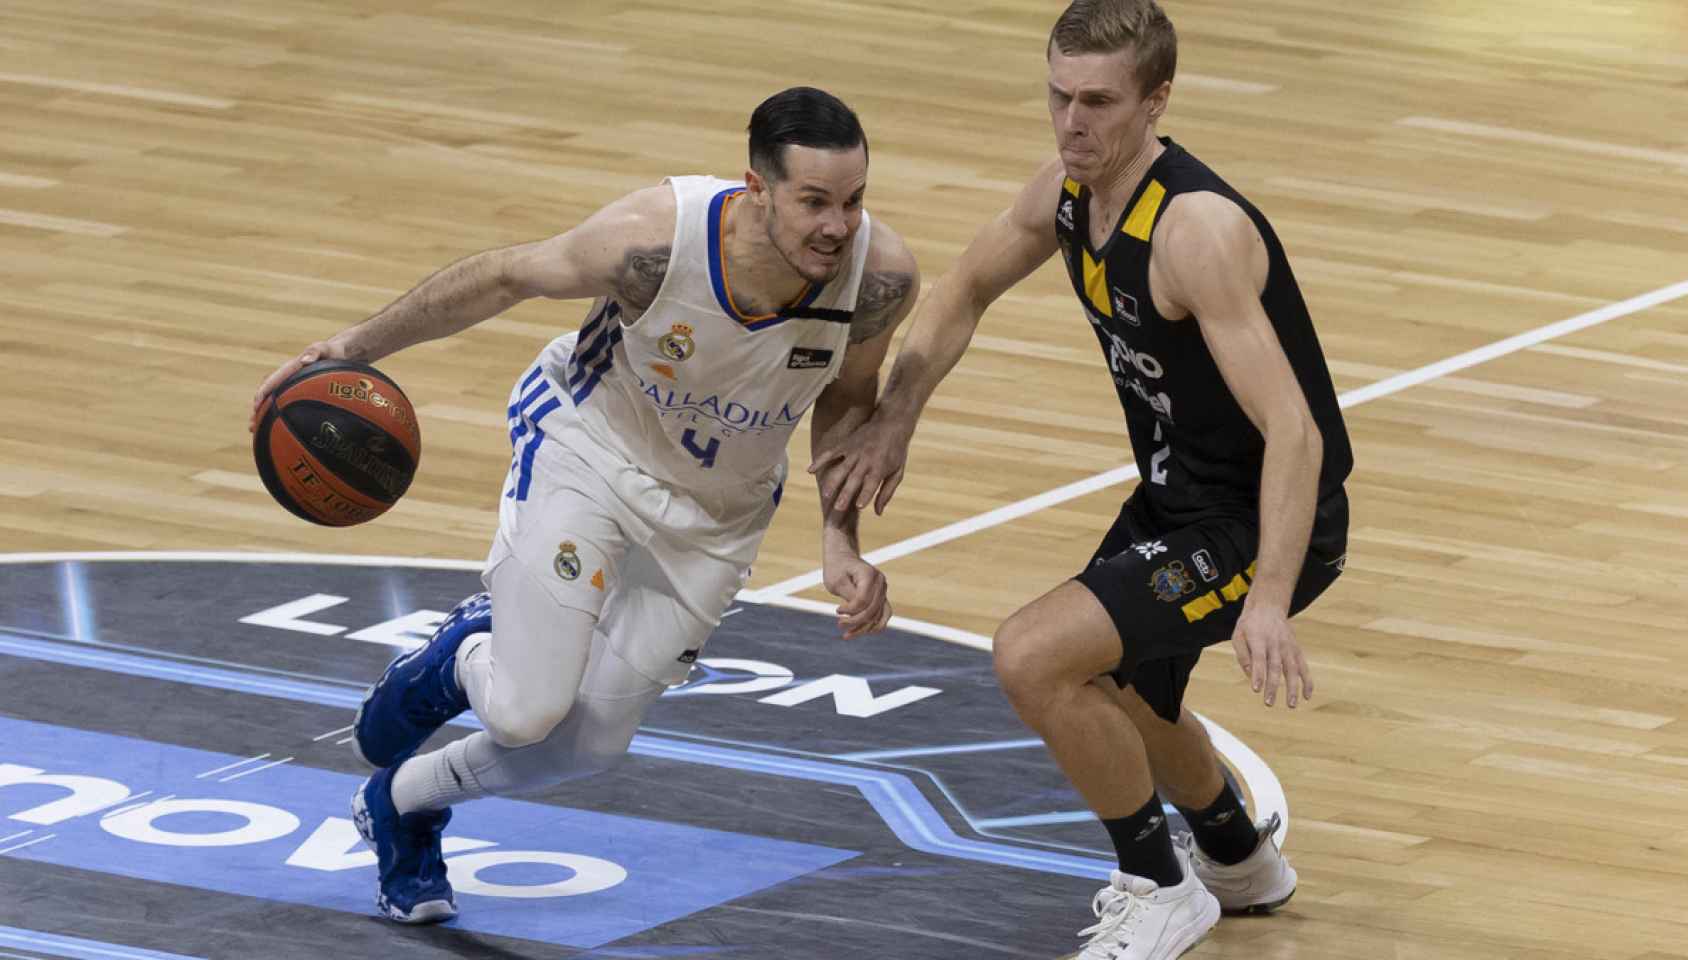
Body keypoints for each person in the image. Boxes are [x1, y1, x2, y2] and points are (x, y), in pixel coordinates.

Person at [250, 86, 918, 924]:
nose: (836, 225)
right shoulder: (653, 241)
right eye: (814, 201)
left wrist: (838, 540)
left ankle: (402, 804)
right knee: (527, 710)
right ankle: (461, 658)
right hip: (591, 454)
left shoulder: (880, 279)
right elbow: (502, 277)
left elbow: (849, 400)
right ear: (757, 188)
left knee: (590, 746)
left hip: (718, 514)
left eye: (853, 201)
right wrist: (350, 347)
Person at [809, 3, 1353, 957]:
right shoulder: (1067, 193)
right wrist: (896, 419)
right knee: (1130, 692)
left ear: (1157, 101)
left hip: (1260, 519)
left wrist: (1268, 596)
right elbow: (964, 289)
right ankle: (1237, 853)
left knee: (1031, 655)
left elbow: (1296, 434)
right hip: (1176, 496)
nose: (1072, 122)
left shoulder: (1196, 232)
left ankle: (1157, 887)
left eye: (1099, 101)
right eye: (1059, 95)